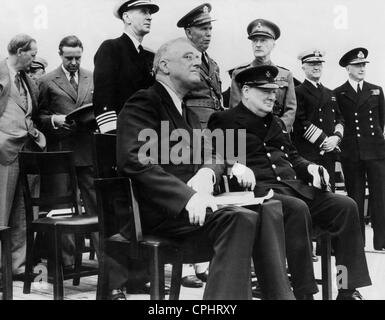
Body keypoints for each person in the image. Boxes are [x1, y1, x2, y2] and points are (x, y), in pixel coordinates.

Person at [116, 37, 295, 300]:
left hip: (191, 211)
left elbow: (212, 152)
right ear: (164, 66)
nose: (197, 61)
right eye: (188, 57)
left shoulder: (185, 111)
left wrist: (207, 172)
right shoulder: (144, 103)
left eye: (197, 58)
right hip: (158, 211)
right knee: (240, 218)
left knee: (268, 208)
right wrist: (188, 197)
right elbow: (135, 160)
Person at [208, 65, 372, 300]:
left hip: (292, 188)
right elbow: (216, 157)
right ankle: (304, 292)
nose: (272, 96)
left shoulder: (274, 122)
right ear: (245, 91)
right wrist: (234, 165)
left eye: (274, 91)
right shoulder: (224, 119)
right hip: (258, 195)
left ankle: (346, 287)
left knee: (345, 206)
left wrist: (311, 167)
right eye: (264, 90)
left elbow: (293, 156)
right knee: (297, 209)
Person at [36, 35, 99, 267]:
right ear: (60, 55)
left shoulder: (92, 78)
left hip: (87, 150)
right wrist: (54, 119)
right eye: (69, 57)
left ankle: (106, 263)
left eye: (78, 57)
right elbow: (37, 116)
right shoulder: (46, 80)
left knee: (95, 205)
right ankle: (67, 263)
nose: (73, 62)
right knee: (62, 207)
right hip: (60, 152)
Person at [0, 34, 46, 277]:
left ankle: (17, 266)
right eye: (32, 53)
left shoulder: (27, 80)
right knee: (1, 211)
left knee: (23, 211)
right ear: (19, 51)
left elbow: (30, 113)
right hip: (4, 153)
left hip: (29, 151)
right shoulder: (1, 73)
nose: (34, 58)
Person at [334, 48, 385, 250]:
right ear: (348, 68)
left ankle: (381, 241)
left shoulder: (376, 90)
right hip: (351, 152)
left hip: (376, 150)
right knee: (354, 196)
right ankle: (358, 242)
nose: (361, 68)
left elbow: (382, 120)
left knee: (379, 195)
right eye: (357, 65)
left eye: (363, 65)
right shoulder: (339, 93)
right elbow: (340, 120)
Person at [93, 0, 159, 133]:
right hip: (124, 133)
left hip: (149, 131)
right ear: (127, 17)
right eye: (143, 12)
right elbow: (103, 95)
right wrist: (112, 133)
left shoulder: (149, 56)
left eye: (150, 13)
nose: (149, 17)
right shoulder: (111, 48)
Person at [229, 19, 297, 132]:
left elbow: (290, 109)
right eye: (255, 41)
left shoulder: (286, 75)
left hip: (277, 134)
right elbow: (235, 108)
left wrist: (278, 128)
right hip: (249, 132)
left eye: (263, 40)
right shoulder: (239, 73)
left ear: (273, 45)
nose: (258, 45)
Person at [293, 49, 344, 191]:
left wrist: (336, 138)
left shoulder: (330, 93)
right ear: (303, 67)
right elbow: (300, 122)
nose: (316, 67)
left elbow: (339, 118)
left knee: (330, 193)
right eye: (311, 64)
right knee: (312, 194)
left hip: (329, 152)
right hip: (309, 153)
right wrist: (324, 140)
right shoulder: (297, 92)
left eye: (319, 64)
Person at [177, 3, 223, 129]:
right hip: (193, 128)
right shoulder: (180, 61)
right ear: (189, 32)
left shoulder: (213, 64)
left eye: (210, 28)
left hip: (217, 126)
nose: (208, 34)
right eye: (203, 29)